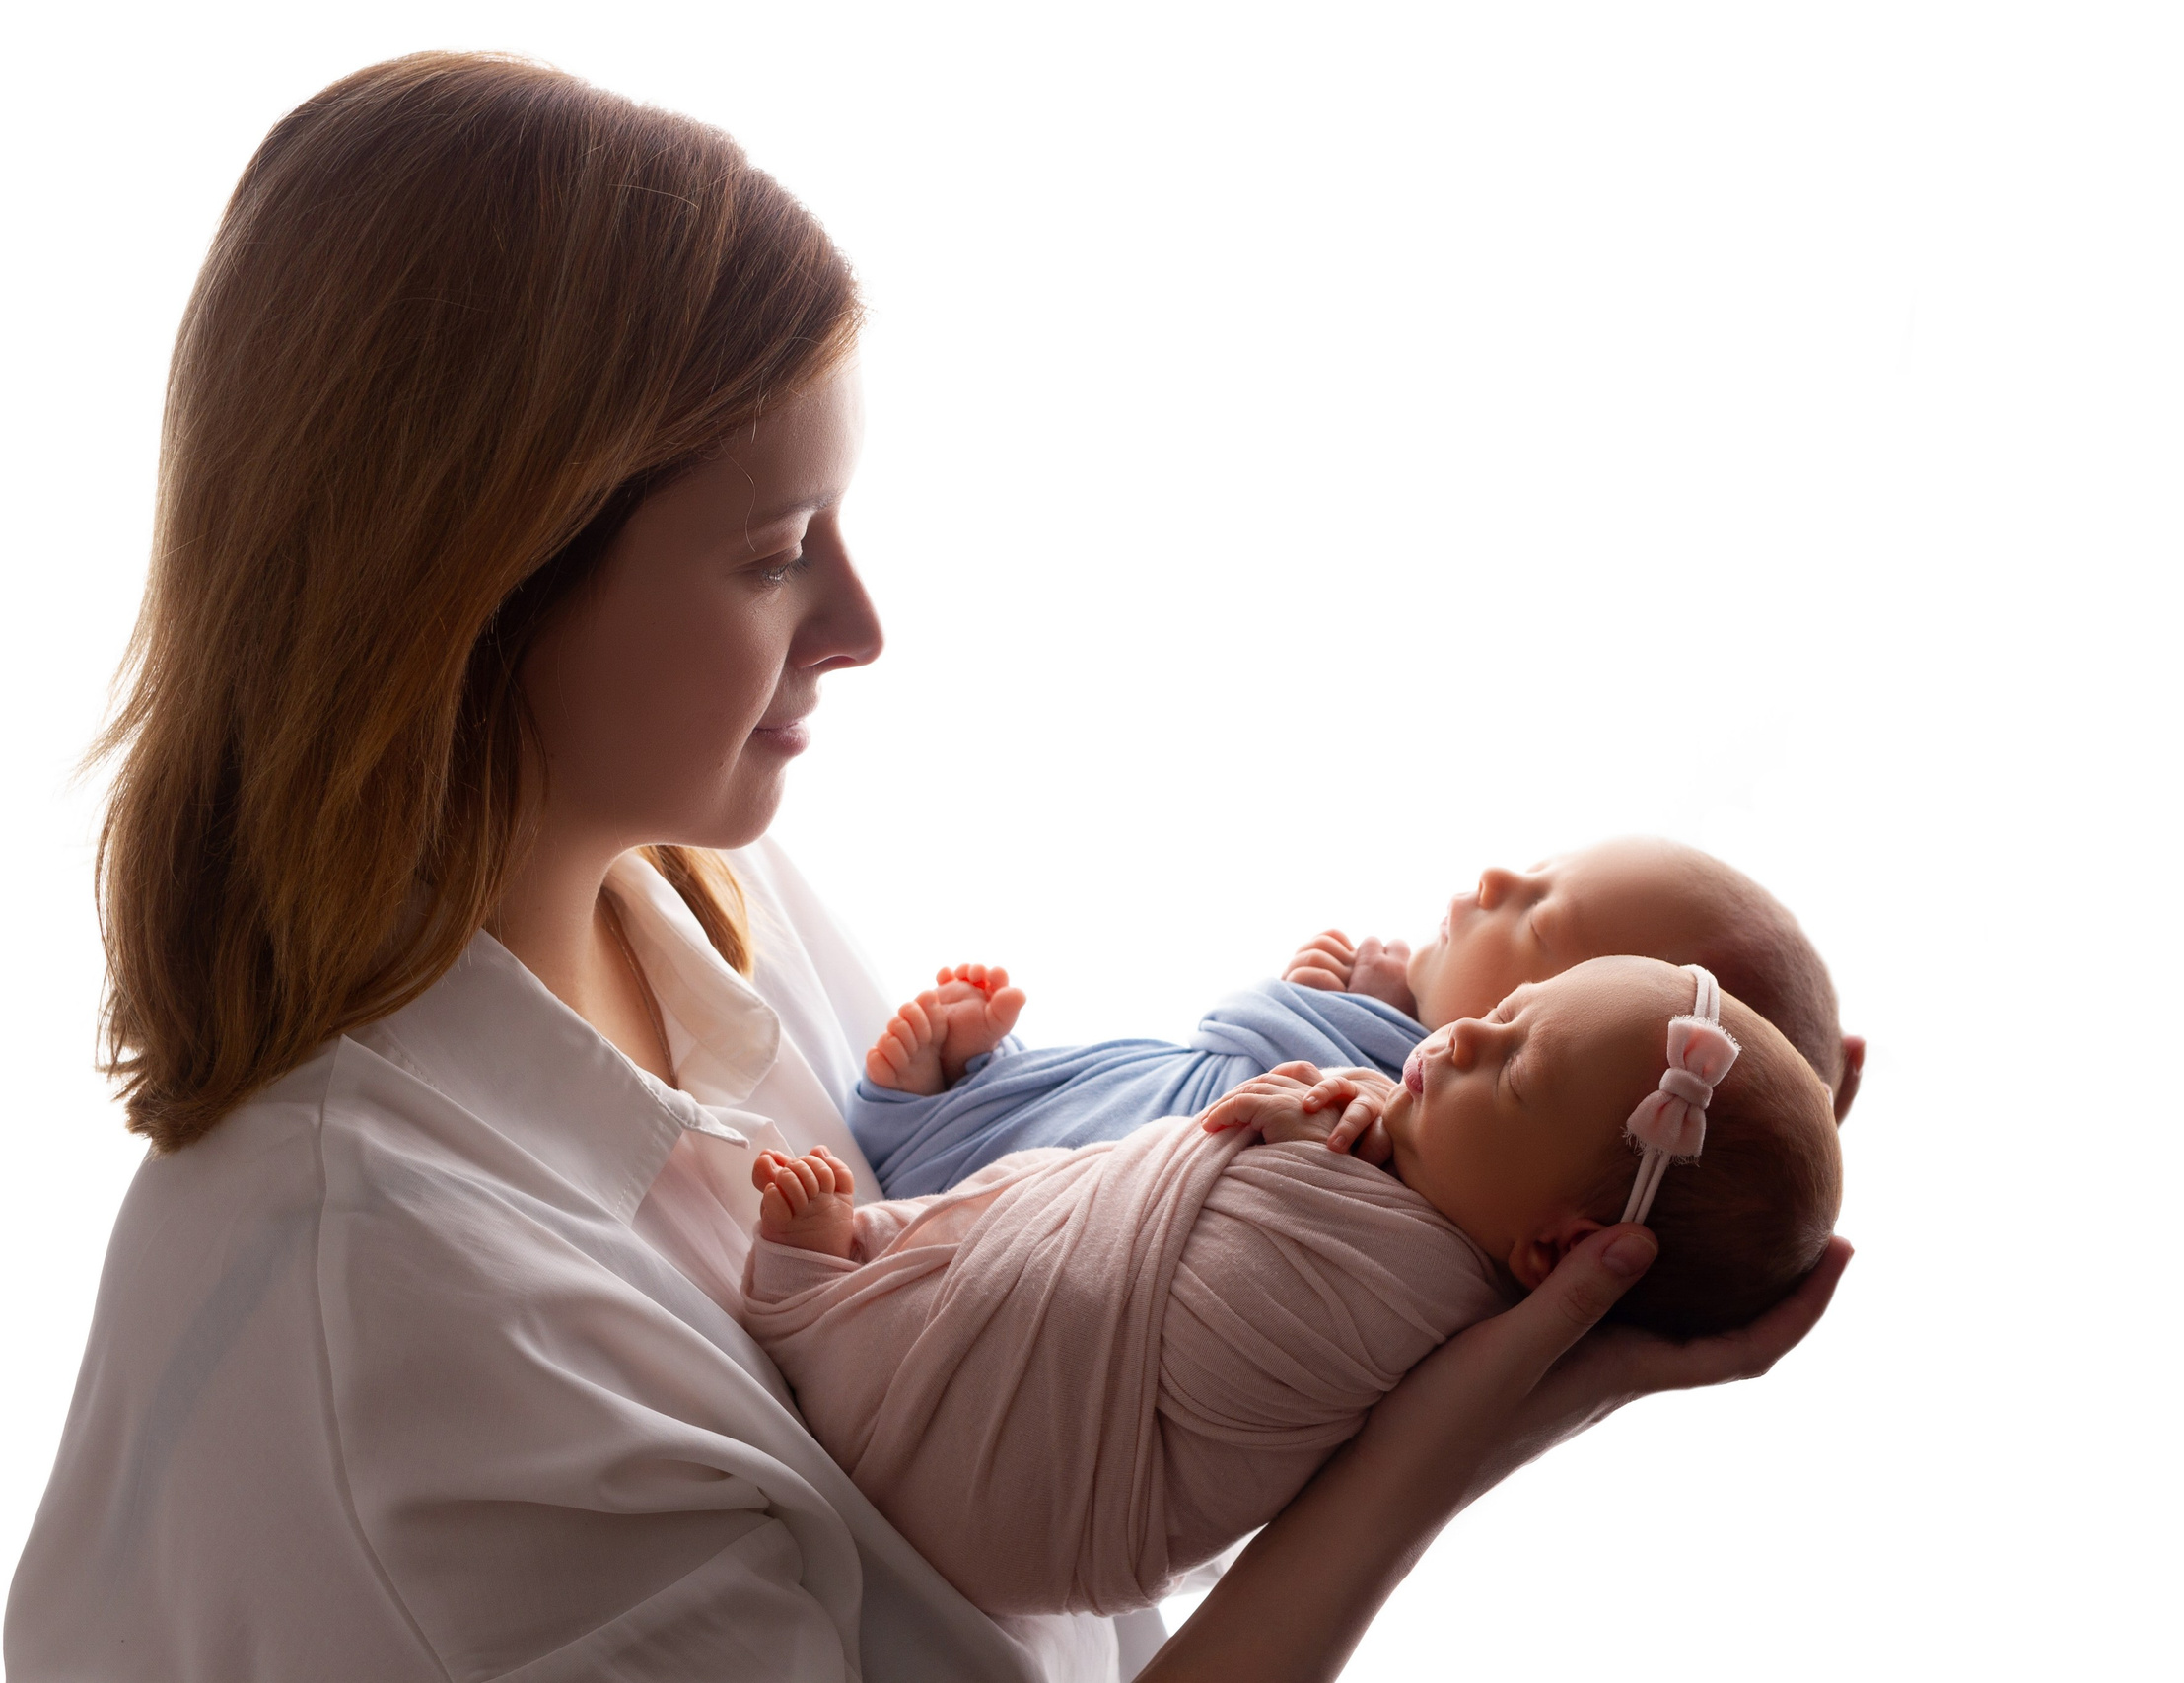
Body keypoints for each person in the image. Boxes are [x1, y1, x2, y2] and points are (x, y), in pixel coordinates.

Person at [5, 51, 1852, 1683]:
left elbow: (1053, 1419)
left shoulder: (697, 903)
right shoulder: (418, 1346)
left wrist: (1583, 1149)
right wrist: (1463, 1429)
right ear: (469, 587)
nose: (865, 625)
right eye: (777, 548)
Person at [736, 956, 1839, 1616]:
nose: (1456, 1039)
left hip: (1025, 1482)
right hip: (1010, 1530)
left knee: (1051, 1234)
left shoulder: (1407, 1300)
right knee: (1058, 1195)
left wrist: (1281, 1146)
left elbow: (1208, 1225)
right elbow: (1188, 1154)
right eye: (1503, 1012)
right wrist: (1304, 1107)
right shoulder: (1398, 1150)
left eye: (1510, 1070)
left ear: (1554, 1251)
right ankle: (868, 1257)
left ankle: (836, 1281)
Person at [847, 836, 1866, 1197]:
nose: (1498, 877)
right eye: (1535, 864)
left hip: (1119, 1166)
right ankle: (968, 1091)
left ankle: (936, 1124)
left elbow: (1288, 1102)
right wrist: (1329, 998)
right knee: (1100, 1089)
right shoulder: (1396, 1035)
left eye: (1543, 919)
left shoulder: (1438, 1146)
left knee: (1075, 1156)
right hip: (1158, 1097)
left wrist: (1316, 1007)